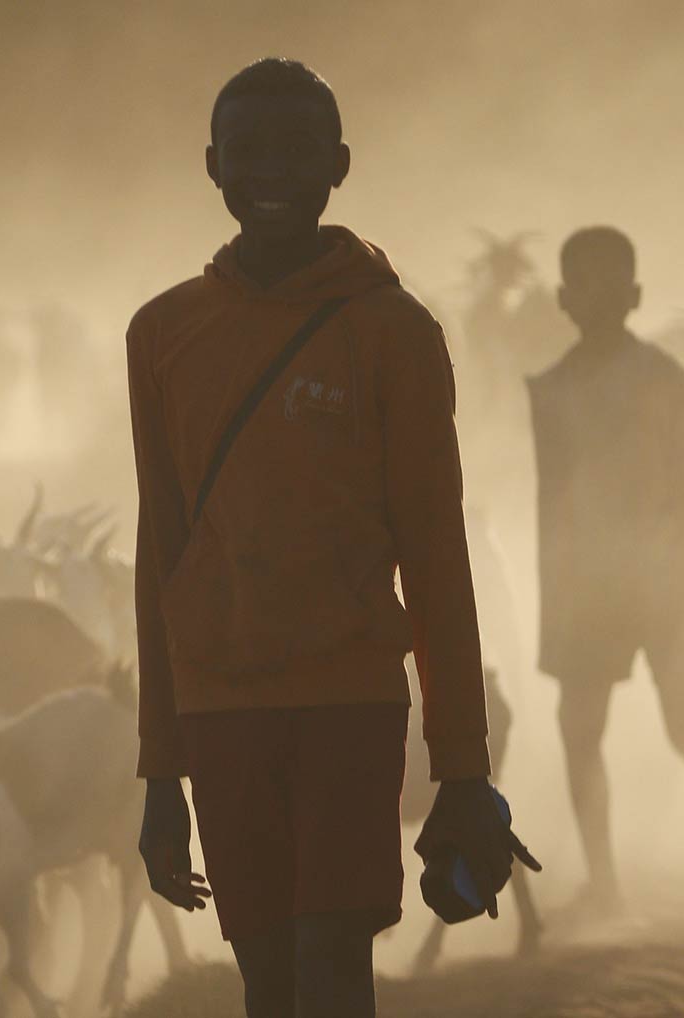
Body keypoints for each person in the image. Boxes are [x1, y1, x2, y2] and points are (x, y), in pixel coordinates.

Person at [129, 58, 535, 1017]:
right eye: (248, 150)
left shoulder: (394, 331)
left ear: (339, 165)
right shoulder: (162, 333)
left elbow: (437, 558)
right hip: (220, 704)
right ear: (212, 166)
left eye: (297, 149)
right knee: (267, 981)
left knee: (332, 967)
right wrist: (159, 771)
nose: (271, 170)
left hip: (347, 698)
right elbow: (162, 555)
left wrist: (463, 765)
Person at [528, 226, 684, 931]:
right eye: (585, 286)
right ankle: (605, 887)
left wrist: (659, 517)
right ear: (563, 298)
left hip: (670, 583)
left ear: (634, 296)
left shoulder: (663, 379)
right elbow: (554, 504)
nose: (598, 300)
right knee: (579, 728)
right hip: (588, 589)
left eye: (612, 286)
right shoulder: (552, 391)